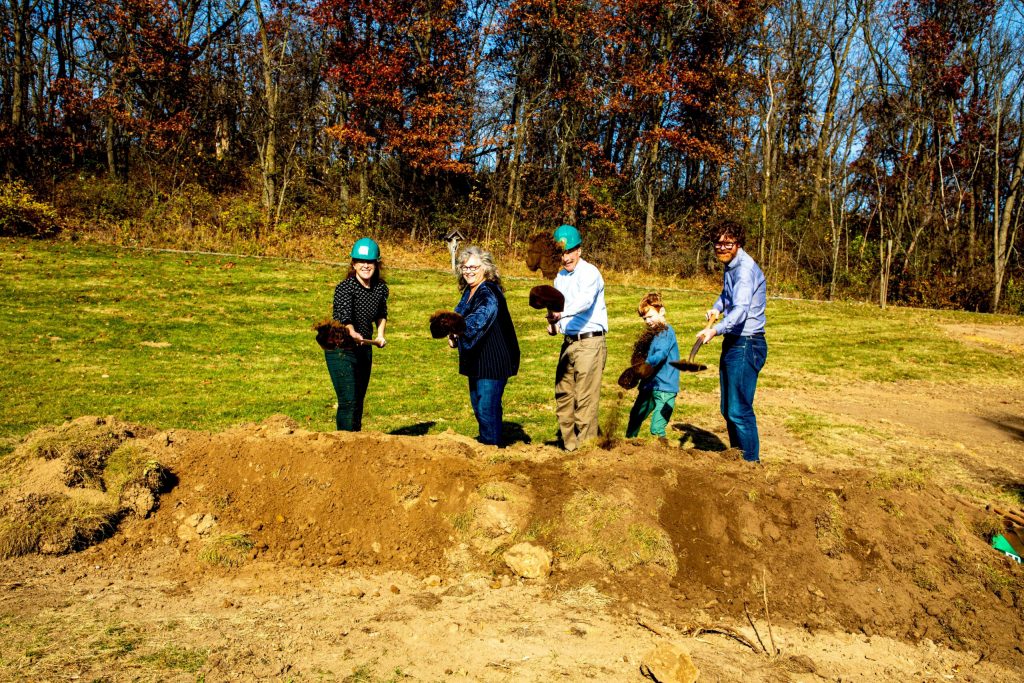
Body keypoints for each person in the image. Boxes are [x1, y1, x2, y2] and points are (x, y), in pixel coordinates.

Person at [695, 221, 767, 462]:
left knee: (739, 410)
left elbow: (740, 312)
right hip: (736, 342)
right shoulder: (731, 265)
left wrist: (715, 330)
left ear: (738, 243)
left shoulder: (744, 270)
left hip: (747, 343)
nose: (722, 248)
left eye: (728, 243)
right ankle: (738, 459)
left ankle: (751, 465)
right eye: (718, 243)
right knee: (728, 409)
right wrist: (716, 308)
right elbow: (728, 296)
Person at [546, 224, 608, 451]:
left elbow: (584, 302)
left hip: (590, 343)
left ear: (579, 250)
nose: (566, 257)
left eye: (570, 251)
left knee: (585, 399)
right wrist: (554, 324)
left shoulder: (590, 273)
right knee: (563, 394)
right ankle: (571, 448)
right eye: (561, 253)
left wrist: (561, 312)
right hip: (569, 342)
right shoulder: (560, 278)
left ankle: (587, 452)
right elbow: (557, 311)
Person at [450, 246, 520, 446]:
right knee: (480, 406)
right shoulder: (470, 291)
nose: (468, 271)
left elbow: (480, 318)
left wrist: (460, 329)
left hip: (493, 360)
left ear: (486, 269)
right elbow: (459, 316)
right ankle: (488, 445)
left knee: (487, 408)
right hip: (477, 360)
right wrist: (453, 333)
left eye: (474, 267)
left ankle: (491, 451)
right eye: (465, 267)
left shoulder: (488, 291)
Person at [325, 237, 389, 431]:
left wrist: (380, 334)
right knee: (349, 400)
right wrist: (352, 332)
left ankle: (356, 445)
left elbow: (381, 313)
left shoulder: (380, 289)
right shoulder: (345, 288)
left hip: (363, 349)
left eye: (370, 261)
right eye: (361, 261)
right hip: (340, 348)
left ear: (376, 264)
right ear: (353, 263)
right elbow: (344, 316)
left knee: (359, 400)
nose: (365, 265)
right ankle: (343, 444)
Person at [625, 292, 680, 442]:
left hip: (665, 388)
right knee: (636, 416)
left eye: (650, 316)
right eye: (644, 318)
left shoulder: (666, 332)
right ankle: (628, 444)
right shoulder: (652, 333)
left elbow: (660, 354)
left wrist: (646, 366)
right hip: (649, 386)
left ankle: (662, 453)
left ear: (661, 311)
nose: (647, 321)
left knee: (657, 427)